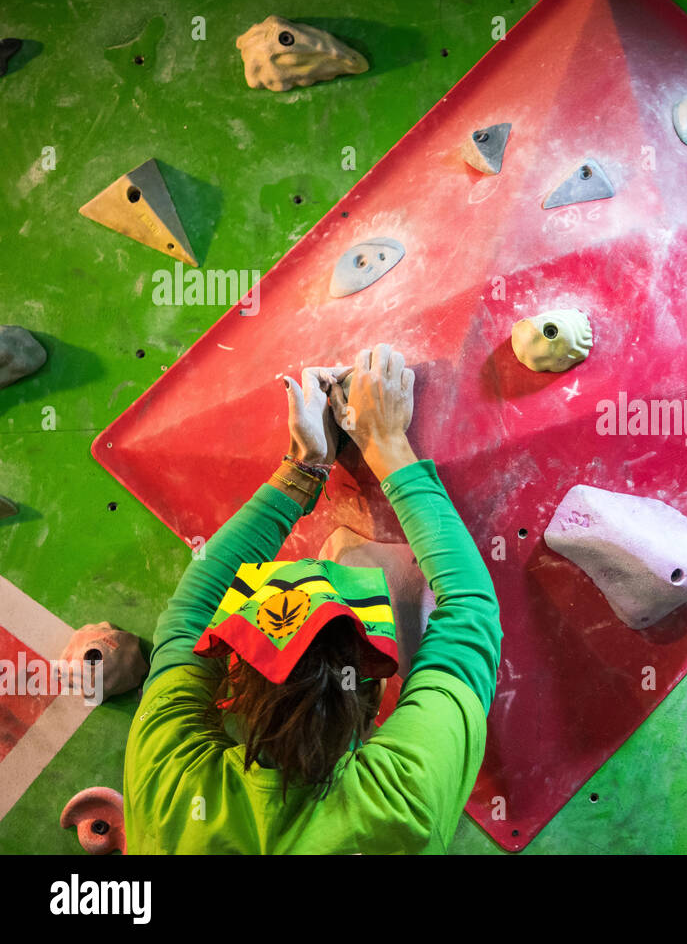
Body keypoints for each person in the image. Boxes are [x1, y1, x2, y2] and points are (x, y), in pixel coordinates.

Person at [123, 343, 502, 853]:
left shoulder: (173, 789)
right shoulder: (399, 801)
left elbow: (189, 616)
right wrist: (387, 444)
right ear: (373, 701)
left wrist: (305, 467)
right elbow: (469, 611)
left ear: (233, 676)